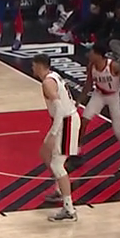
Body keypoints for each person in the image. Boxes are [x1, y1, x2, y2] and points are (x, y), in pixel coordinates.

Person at [32, 54, 79, 222]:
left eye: (34, 65)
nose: (32, 68)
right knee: (45, 153)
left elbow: (59, 108)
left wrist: (53, 133)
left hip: (65, 122)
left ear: (39, 66)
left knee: (57, 165)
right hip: (63, 121)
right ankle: (60, 189)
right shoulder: (53, 76)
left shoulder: (47, 83)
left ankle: (69, 209)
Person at [81, 43, 120, 173]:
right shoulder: (91, 66)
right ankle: (77, 151)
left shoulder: (113, 65)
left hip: (113, 96)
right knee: (84, 121)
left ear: (99, 55)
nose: (89, 55)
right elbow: (88, 84)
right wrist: (79, 101)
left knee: (117, 130)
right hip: (99, 95)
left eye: (92, 52)